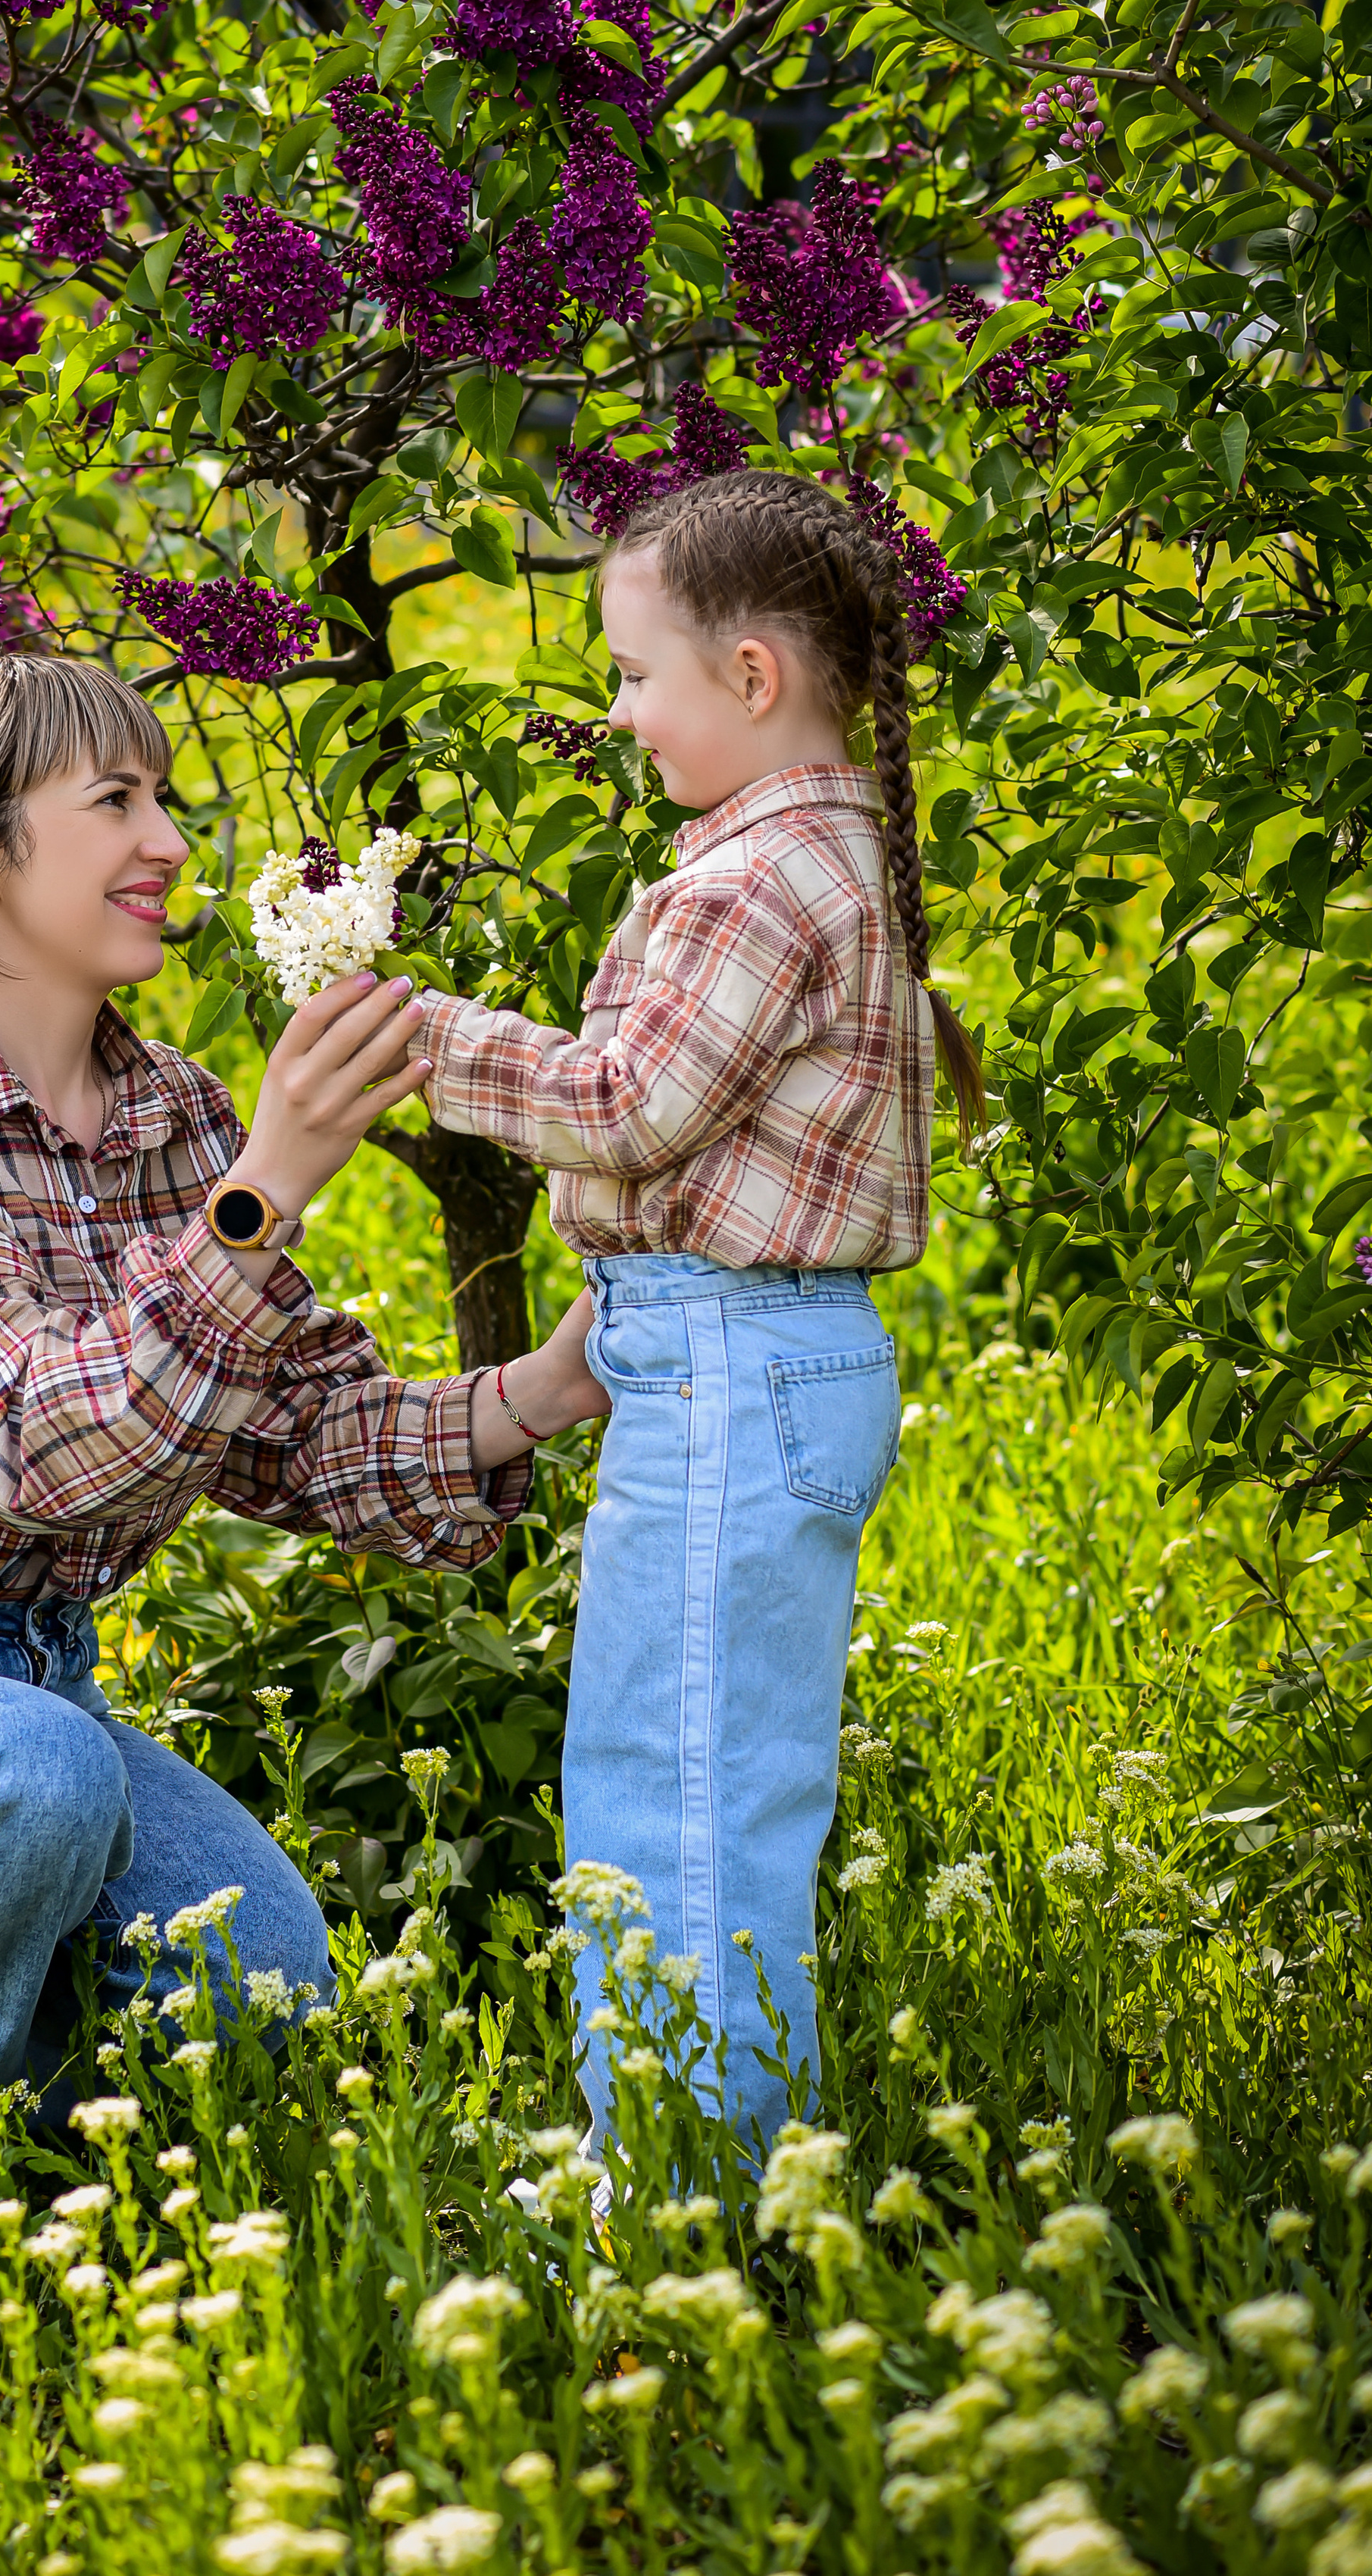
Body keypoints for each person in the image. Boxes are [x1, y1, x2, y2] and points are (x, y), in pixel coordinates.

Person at [0, 651, 607, 2288]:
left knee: (256, 1973)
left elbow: (295, 1433)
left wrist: (546, 1385)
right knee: (25, 1780)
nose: (167, 837)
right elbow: (33, 1449)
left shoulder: (167, 1116)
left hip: (30, 1700)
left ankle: (10, 2209)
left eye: (162, 794)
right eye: (115, 802)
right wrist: (269, 1185)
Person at [410, 467, 982, 2156]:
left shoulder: (760, 879)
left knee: (677, 1807)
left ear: (748, 679)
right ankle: (684, 2164)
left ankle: (683, 2207)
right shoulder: (819, 851)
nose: (618, 713)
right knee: (697, 1789)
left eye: (633, 675)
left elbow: (624, 1106)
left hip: (730, 1369)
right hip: (742, 1364)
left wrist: (425, 1038)